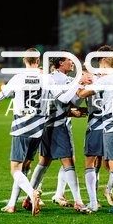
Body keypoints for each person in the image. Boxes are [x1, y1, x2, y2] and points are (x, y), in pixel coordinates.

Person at [22, 55, 92, 214]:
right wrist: (79, 82)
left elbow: (73, 101)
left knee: (44, 162)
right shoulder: (60, 80)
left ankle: (28, 198)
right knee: (68, 163)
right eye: (70, 61)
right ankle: (78, 202)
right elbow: (68, 98)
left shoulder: (54, 78)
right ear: (61, 63)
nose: (72, 63)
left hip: (45, 125)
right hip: (58, 125)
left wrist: (78, 88)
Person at [77, 48, 113, 215]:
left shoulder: (107, 79)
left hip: (112, 126)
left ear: (103, 64)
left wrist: (77, 84)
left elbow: (82, 94)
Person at [0, 49, 44, 215]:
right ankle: (11, 204)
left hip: (21, 127)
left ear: (24, 60)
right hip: (38, 129)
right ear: (38, 60)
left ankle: (32, 193)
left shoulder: (18, 78)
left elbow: (0, 97)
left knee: (15, 169)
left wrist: (2, 89)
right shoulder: (45, 78)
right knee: (25, 167)